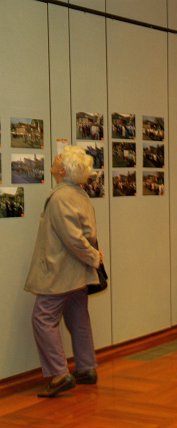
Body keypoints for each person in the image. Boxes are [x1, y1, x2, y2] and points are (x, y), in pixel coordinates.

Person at [24, 145, 102, 397]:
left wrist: (94, 257)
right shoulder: (79, 194)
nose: (55, 159)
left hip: (60, 272)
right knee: (78, 317)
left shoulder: (60, 198)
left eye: (59, 158)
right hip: (77, 272)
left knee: (43, 318)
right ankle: (86, 367)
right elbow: (85, 234)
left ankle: (59, 374)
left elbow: (74, 238)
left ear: (63, 170)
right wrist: (92, 258)